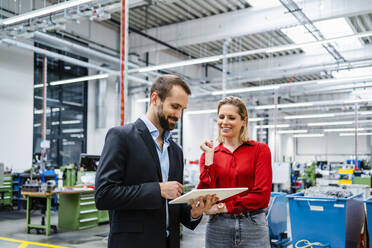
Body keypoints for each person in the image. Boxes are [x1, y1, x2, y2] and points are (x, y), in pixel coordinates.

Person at [95, 74, 217, 248]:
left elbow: (174, 203)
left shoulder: (175, 151)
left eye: (182, 109)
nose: (178, 115)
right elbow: (103, 195)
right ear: (155, 98)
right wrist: (157, 189)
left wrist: (194, 212)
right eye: (174, 106)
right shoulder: (122, 137)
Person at [197, 96, 272, 248]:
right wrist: (209, 158)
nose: (224, 122)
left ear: (244, 121)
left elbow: (262, 196)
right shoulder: (209, 154)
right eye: (221, 117)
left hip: (253, 225)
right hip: (218, 227)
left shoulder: (260, 150)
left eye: (231, 118)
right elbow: (206, 194)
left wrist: (223, 207)